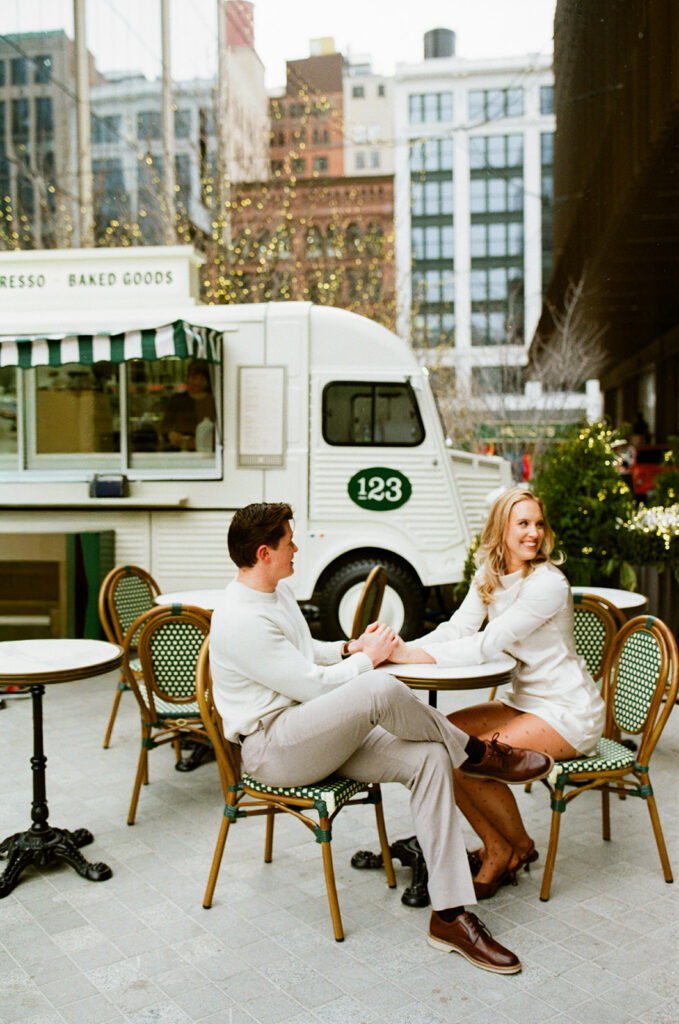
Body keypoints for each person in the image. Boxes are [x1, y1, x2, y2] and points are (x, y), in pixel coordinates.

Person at [210, 502, 554, 975]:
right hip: (275, 748)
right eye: (290, 541)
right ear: (265, 552)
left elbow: (309, 653)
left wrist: (352, 647)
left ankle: (449, 915)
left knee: (432, 756)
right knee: (377, 686)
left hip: (312, 732)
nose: (297, 547)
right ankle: (476, 752)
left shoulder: (274, 593)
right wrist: (368, 661)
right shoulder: (240, 617)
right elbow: (313, 685)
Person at [387, 486, 605, 899]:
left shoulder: (547, 584)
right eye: (523, 523)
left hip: (567, 711)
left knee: (468, 753)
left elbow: (485, 644)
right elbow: (459, 628)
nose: (533, 533)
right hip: (526, 702)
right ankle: (502, 846)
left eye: (538, 524)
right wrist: (408, 648)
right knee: (442, 739)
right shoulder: (490, 570)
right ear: (501, 528)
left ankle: (511, 850)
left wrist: (408, 656)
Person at [161, 359, 216, 451]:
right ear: (187, 378)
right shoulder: (177, 399)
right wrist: (170, 434)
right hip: (181, 451)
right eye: (194, 378)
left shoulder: (214, 401)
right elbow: (165, 427)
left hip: (208, 452)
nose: (197, 382)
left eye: (202, 379)